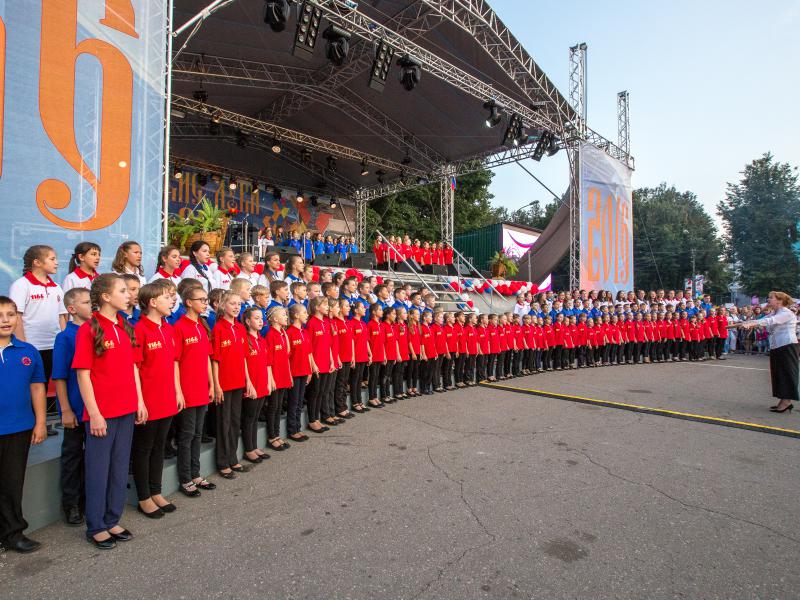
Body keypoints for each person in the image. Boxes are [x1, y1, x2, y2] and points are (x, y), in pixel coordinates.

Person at [73, 274, 147, 549]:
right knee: (98, 469)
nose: (129, 295)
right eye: (123, 291)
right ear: (105, 296)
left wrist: (139, 401)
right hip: (102, 413)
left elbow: (133, 368)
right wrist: (94, 413)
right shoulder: (89, 329)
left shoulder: (126, 326)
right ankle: (96, 525)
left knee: (118, 467)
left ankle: (112, 518)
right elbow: (83, 374)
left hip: (126, 408)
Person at [132, 282, 183, 518]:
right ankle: (144, 497)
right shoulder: (139, 329)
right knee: (144, 449)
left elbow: (173, 363)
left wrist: (178, 391)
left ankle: (156, 491)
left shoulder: (168, 328)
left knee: (160, 446)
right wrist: (139, 401)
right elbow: (135, 367)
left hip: (167, 397)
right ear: (152, 302)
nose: (172, 301)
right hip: (148, 399)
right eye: (167, 297)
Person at [0, 296, 47, 553]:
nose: (5, 320)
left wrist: (40, 422)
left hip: (18, 427)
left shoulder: (28, 352)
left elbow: (37, 388)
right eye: (0, 316)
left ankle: (13, 533)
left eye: (10, 314)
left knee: (12, 482)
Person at [52, 288, 92, 526]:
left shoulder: (94, 331)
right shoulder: (65, 337)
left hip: (94, 407)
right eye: (86, 302)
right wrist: (65, 409)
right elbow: (59, 376)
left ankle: (88, 500)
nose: (91, 306)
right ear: (72, 309)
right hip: (75, 408)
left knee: (91, 457)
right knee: (73, 456)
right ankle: (71, 503)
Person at [172, 283, 215, 498]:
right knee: (187, 435)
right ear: (188, 302)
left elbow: (207, 358)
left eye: (206, 300)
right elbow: (175, 362)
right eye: (201, 300)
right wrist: (178, 390)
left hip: (201, 388)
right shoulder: (179, 327)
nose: (205, 303)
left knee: (197, 433)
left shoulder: (202, 325)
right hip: (187, 389)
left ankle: (196, 474)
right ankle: (185, 478)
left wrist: (212, 384)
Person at [211, 291, 256, 479]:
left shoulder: (239, 328)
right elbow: (215, 360)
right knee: (224, 423)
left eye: (239, 304)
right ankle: (223, 463)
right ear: (223, 305)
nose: (237, 307)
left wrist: (248, 380)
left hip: (238, 382)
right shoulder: (218, 328)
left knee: (235, 421)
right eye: (232, 303)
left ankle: (233, 458)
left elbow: (244, 358)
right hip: (224, 383)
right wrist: (216, 385)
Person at [738, 291, 798, 413]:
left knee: (786, 373)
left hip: (787, 345)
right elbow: (763, 320)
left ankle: (787, 401)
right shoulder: (775, 312)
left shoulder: (786, 313)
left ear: (780, 301)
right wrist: (747, 323)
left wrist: (751, 323)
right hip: (777, 346)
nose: (768, 299)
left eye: (771, 298)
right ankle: (783, 399)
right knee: (778, 373)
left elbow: (770, 321)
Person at [241, 307, 271, 464]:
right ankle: (249, 449)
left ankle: (254, 446)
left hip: (262, 383)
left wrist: (268, 382)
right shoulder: (245, 339)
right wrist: (249, 384)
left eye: (261, 318)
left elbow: (266, 363)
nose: (261, 321)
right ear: (248, 321)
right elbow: (244, 363)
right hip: (251, 385)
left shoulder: (262, 340)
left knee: (255, 418)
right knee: (249, 418)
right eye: (256, 318)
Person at [264, 307, 292, 450]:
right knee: (273, 407)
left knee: (279, 407)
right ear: (275, 319)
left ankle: (277, 434)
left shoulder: (282, 334)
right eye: (283, 315)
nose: (286, 317)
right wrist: (271, 379)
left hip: (283, 375)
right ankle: (272, 436)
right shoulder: (271, 335)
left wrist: (289, 374)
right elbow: (268, 360)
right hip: (275, 376)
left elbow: (286, 356)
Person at [286, 304, 315, 440]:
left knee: (299, 402)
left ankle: (297, 427)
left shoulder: (305, 332)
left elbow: (308, 353)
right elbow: (287, 357)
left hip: (304, 371)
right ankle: (292, 430)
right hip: (294, 373)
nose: (307, 315)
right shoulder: (289, 333)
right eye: (304, 312)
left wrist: (309, 371)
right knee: (293, 402)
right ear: (296, 316)